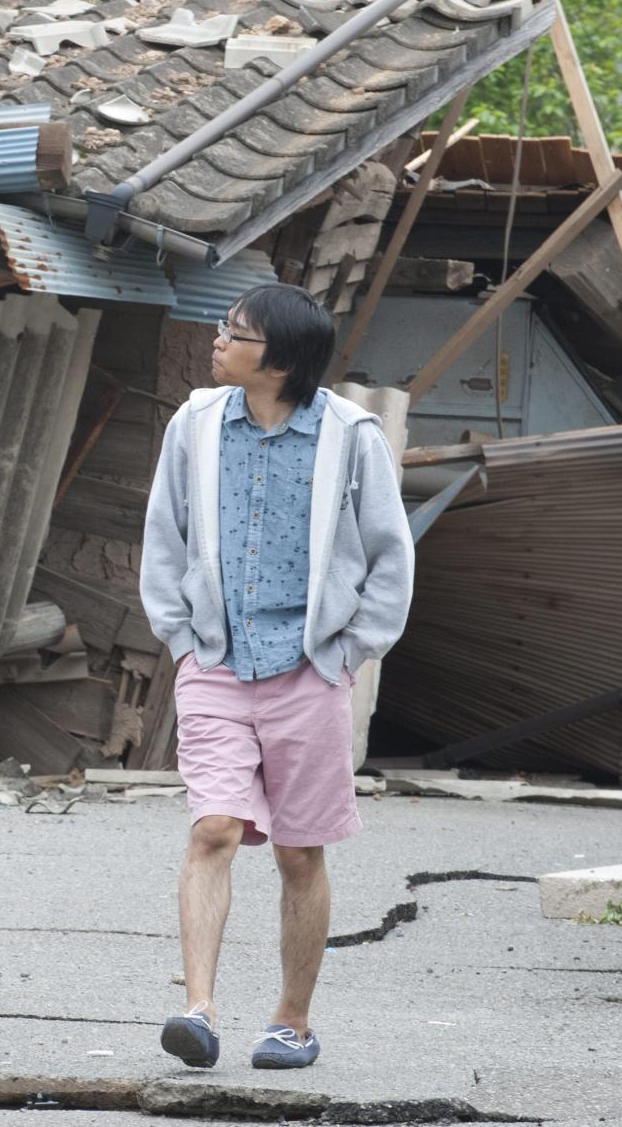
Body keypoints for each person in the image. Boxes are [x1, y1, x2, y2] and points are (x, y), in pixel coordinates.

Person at [139, 283, 413, 1073]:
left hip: (308, 668)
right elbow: (164, 536)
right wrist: (184, 644)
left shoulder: (350, 436)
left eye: (237, 333)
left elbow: (391, 557)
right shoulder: (193, 425)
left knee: (298, 852)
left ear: (282, 360)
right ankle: (197, 1009)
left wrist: (347, 651)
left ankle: (291, 1020)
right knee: (213, 828)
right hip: (217, 662)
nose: (219, 341)